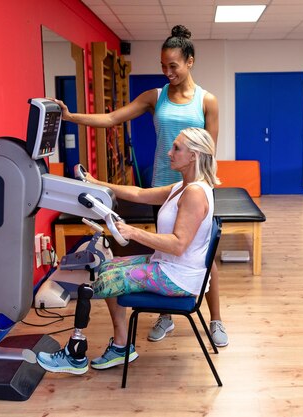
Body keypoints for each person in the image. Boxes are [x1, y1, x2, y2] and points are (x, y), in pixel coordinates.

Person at [48, 24, 228, 347]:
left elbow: (209, 150)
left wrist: (204, 188)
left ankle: (215, 319)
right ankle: (165, 315)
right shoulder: (154, 97)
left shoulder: (207, 101)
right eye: (163, 66)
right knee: (163, 248)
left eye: (173, 65)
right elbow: (112, 119)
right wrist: (71, 117)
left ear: (190, 61)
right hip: (165, 183)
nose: (167, 72)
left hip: (196, 187)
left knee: (199, 253)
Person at [37, 128, 219, 374]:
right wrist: (96, 183)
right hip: (169, 266)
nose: (169, 153)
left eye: (177, 148)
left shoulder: (195, 193)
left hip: (179, 277)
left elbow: (178, 244)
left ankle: (74, 356)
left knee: (103, 281)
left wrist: (133, 232)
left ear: (194, 156)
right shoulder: (183, 187)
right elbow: (140, 194)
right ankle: (121, 346)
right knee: (107, 267)